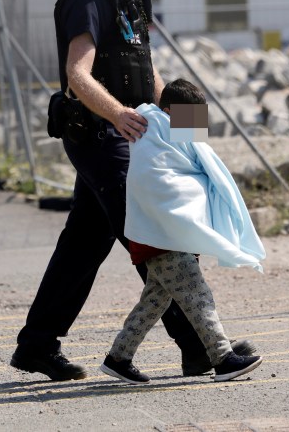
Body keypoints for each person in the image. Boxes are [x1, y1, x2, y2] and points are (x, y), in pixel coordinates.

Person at [10, 0, 255, 381]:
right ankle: (203, 348)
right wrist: (119, 114)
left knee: (85, 242)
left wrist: (188, 130)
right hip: (102, 136)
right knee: (158, 235)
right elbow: (77, 74)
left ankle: (36, 345)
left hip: (133, 134)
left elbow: (147, 69)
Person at [99, 79, 267, 385]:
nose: (194, 128)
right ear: (168, 112)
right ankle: (223, 358)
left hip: (157, 236)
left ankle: (118, 358)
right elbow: (164, 183)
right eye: (190, 119)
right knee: (197, 294)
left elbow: (194, 163)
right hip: (163, 235)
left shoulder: (162, 132)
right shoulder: (152, 135)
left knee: (153, 302)